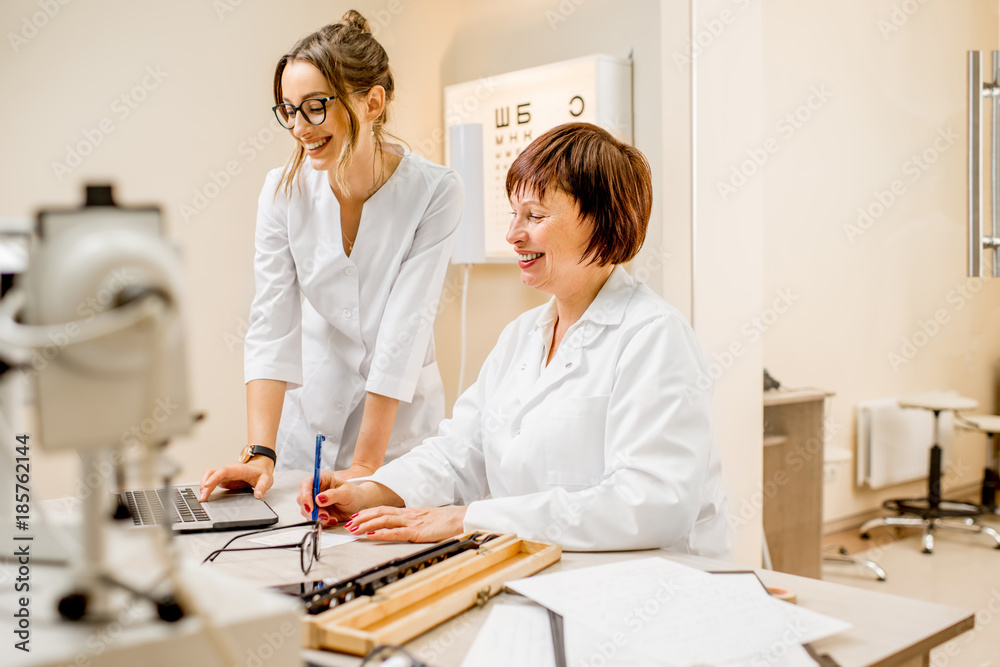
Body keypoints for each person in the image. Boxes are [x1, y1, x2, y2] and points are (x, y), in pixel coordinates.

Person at [298, 123, 731, 557]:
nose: (513, 234)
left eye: (535, 216)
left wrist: (467, 520)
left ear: (601, 221)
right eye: (514, 214)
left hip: (644, 594)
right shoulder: (522, 337)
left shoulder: (654, 337)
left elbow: (651, 505)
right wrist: (370, 490)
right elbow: (460, 451)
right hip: (542, 575)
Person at [200, 10, 463, 502]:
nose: (299, 127)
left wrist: (366, 464)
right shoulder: (282, 192)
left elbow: (405, 328)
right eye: (288, 109)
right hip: (311, 425)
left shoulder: (435, 191)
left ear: (372, 102)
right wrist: (260, 451)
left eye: (315, 106)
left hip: (397, 435)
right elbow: (271, 320)